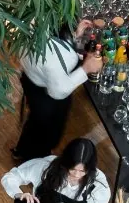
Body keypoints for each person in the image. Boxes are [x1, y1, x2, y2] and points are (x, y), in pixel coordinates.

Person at [14, 24, 102, 161]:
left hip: (30, 75)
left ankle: (22, 150)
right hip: (45, 90)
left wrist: (73, 36)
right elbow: (58, 92)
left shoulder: (34, 22)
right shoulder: (59, 58)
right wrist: (85, 69)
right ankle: (33, 158)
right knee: (46, 128)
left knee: (35, 121)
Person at [0, 138, 110, 203]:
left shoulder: (97, 181)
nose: (77, 175)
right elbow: (11, 177)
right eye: (72, 169)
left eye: (82, 171)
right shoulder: (46, 167)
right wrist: (18, 193)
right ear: (65, 162)